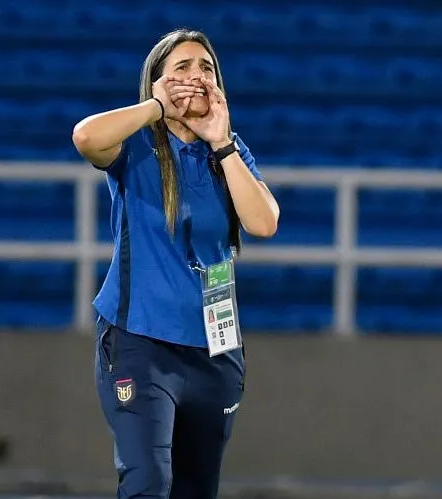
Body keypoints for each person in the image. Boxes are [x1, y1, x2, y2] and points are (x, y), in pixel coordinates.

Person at [71, 28, 280, 499]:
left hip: (215, 352)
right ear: (158, 84)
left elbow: (264, 222)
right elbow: (85, 137)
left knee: (195, 490)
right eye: (180, 68)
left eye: (205, 68)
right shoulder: (138, 144)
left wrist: (221, 142)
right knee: (149, 482)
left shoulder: (227, 152)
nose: (195, 77)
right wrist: (156, 107)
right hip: (139, 344)